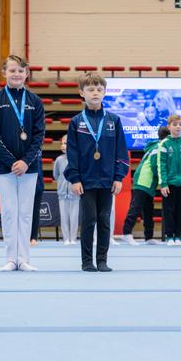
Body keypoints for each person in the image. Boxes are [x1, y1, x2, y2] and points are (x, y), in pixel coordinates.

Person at [64, 72, 129, 272]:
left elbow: (120, 151)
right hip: (86, 179)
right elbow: (72, 153)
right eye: (90, 89)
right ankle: (86, 261)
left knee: (104, 219)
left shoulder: (113, 120)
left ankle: (102, 260)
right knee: (89, 219)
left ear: (105, 92)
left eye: (99, 89)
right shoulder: (76, 122)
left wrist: (118, 177)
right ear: (81, 93)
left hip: (108, 180)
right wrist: (74, 178)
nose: (95, 93)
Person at [0, 55, 45, 272]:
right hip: (4, 166)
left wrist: (25, 161)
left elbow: (39, 135)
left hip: (29, 167)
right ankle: (11, 258)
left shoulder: (35, 101)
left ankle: (24, 258)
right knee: (10, 211)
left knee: (26, 212)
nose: (16, 74)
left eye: (20, 71)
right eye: (12, 71)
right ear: (4, 73)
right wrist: (12, 162)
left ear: (26, 74)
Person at [121, 126, 169, 245]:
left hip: (149, 181)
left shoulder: (158, 145)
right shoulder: (159, 147)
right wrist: (164, 181)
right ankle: (126, 233)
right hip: (144, 179)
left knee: (148, 210)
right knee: (136, 207)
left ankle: (149, 236)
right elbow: (155, 165)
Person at [158, 114, 181, 246]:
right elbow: (161, 165)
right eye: (175, 125)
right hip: (169, 184)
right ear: (169, 127)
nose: (178, 127)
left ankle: (178, 236)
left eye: (180, 124)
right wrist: (163, 183)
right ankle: (169, 236)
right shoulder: (164, 144)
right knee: (168, 211)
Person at [53, 134, 79, 245]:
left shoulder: (78, 158)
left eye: (66, 143)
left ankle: (73, 238)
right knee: (64, 217)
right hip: (63, 193)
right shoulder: (59, 160)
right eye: (62, 143)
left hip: (75, 194)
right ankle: (66, 238)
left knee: (74, 217)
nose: (64, 145)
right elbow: (55, 175)